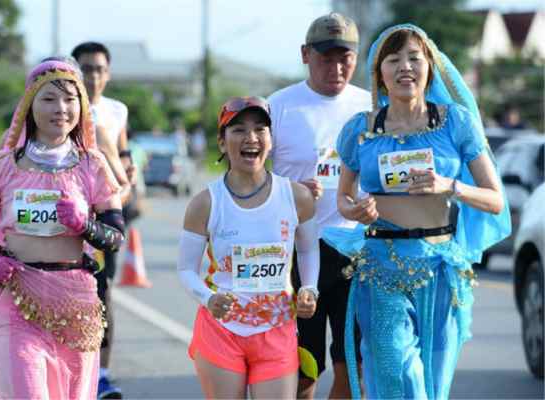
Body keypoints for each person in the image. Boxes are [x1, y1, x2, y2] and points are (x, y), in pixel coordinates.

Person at [334, 24, 511, 399]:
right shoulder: (361, 130)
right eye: (393, 59)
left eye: (414, 57)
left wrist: (449, 185)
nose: (405, 67)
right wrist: (357, 210)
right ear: (379, 73)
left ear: (429, 66)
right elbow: (343, 199)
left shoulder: (455, 123)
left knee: (433, 384)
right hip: (381, 268)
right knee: (401, 375)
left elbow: (495, 199)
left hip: (441, 268)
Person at [0, 59, 125, 399]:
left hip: (76, 306)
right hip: (17, 301)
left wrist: (85, 225)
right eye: (49, 99)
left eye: (70, 99)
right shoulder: (4, 165)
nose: (61, 109)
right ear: (29, 104)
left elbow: (114, 237)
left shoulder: (93, 166)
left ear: (81, 105)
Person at [177, 96, 320, 399]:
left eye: (260, 129)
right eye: (238, 130)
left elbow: (307, 250)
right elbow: (186, 269)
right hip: (221, 330)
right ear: (221, 142)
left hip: (277, 327)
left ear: (270, 139)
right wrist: (208, 298)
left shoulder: (297, 197)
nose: (250, 138)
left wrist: (310, 287)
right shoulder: (205, 203)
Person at [267, 12, 371, 398]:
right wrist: (290, 190)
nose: (337, 66)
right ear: (305, 55)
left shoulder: (371, 107)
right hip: (297, 251)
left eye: (345, 57)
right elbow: (253, 179)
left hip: (355, 249)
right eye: (326, 57)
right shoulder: (278, 107)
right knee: (303, 369)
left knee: (354, 365)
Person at [72, 41, 136, 399]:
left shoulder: (117, 110)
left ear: (108, 74)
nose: (92, 76)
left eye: (99, 69)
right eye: (86, 68)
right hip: (68, 216)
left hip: (106, 215)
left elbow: (123, 154)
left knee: (102, 291)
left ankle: (102, 374)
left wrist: (129, 173)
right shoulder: (64, 108)